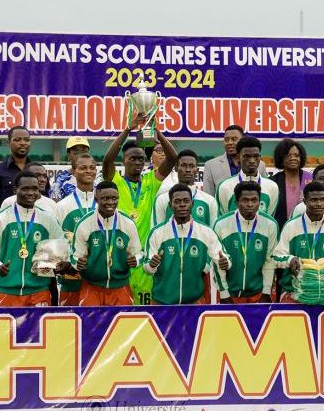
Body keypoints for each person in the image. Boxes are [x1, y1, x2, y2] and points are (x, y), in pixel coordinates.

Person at [102, 114, 177, 305]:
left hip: (143, 258)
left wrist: (155, 131)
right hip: (118, 256)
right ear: (124, 160)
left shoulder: (151, 182)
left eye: (141, 159)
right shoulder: (115, 182)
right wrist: (128, 129)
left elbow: (173, 157)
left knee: (144, 312)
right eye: (132, 158)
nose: (137, 162)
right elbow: (107, 160)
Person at [0, 171, 64, 307]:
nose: (31, 193)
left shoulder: (48, 219)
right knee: (6, 329)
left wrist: (51, 264)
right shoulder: (1, 219)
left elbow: (60, 247)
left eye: (34, 189)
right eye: (26, 189)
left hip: (39, 292)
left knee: (38, 329)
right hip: (7, 291)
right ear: (15, 190)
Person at [144, 184, 230, 305]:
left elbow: (223, 257)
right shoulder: (157, 233)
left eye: (186, 201)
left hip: (195, 302)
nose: (182, 204)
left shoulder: (206, 232)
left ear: (192, 204)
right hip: (161, 303)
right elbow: (147, 268)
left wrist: (226, 262)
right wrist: (151, 265)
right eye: (177, 201)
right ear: (170, 205)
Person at [272, 182, 324, 302]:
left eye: (322, 199)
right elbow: (276, 257)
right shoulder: (291, 226)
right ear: (305, 201)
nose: (319, 204)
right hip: (296, 294)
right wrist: (290, 260)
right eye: (314, 200)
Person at [71, 181, 144, 306]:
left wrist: (136, 260)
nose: (110, 202)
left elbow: (139, 253)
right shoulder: (84, 224)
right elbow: (75, 256)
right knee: (91, 325)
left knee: (123, 325)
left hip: (121, 288)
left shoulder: (128, 223)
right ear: (96, 199)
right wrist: (78, 263)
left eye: (114, 198)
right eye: (105, 198)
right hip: (92, 287)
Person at [213, 181, 278, 303]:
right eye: (245, 200)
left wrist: (266, 292)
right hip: (229, 294)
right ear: (237, 202)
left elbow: (270, 260)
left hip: (258, 294)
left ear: (260, 201)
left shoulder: (270, 224)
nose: (250, 204)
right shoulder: (221, 224)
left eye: (254, 200)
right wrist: (224, 293)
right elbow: (217, 262)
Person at [54, 153, 96, 306]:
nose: (88, 171)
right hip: (71, 278)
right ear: (73, 171)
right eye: (83, 168)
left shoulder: (104, 204)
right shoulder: (62, 206)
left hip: (98, 277)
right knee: (69, 323)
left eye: (92, 168)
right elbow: (57, 241)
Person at [153, 150, 218, 228]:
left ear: (196, 170)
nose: (188, 170)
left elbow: (213, 234)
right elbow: (156, 232)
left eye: (191, 166)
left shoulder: (209, 201)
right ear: (176, 168)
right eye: (184, 165)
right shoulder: (162, 199)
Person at [216, 136, 279, 215]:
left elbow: (269, 219)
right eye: (247, 156)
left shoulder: (272, 187)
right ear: (238, 157)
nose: (252, 161)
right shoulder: (225, 187)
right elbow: (223, 219)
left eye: (256, 156)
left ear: (260, 157)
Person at [202, 125, 268, 195]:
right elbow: (208, 196)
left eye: (234, 139)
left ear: (242, 140)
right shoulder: (211, 165)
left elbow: (265, 190)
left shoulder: (260, 165)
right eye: (226, 140)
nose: (230, 143)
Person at [270, 138, 313, 228]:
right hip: (281, 230)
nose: (293, 158)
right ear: (281, 158)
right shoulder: (272, 182)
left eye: (296, 155)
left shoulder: (311, 179)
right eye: (288, 155)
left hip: (306, 230)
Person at [0, 126, 33, 201]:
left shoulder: (37, 170)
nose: (23, 143)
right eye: (17, 140)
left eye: (26, 140)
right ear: (8, 143)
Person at [50, 136, 91, 201]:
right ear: (69, 155)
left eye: (84, 152)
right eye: (76, 153)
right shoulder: (59, 181)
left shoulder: (97, 178)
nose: (80, 156)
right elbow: (55, 208)